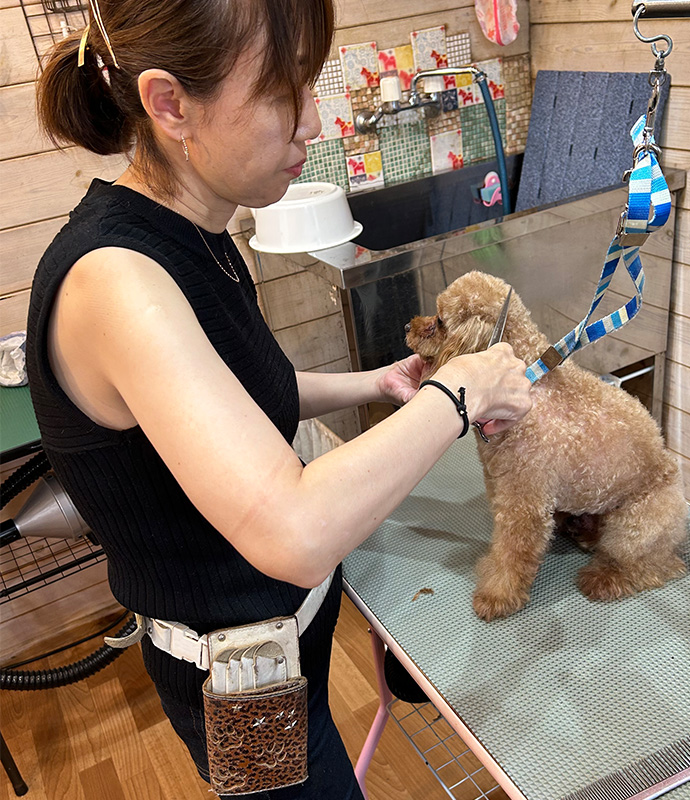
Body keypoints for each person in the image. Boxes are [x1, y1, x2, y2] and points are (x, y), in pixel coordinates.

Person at [26, 0, 533, 796]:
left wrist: (380, 383)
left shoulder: (201, 230)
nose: (310, 121)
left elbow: (233, 400)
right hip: (240, 681)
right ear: (170, 104)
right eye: (280, 90)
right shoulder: (117, 281)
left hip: (290, 637)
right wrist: (460, 392)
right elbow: (291, 532)